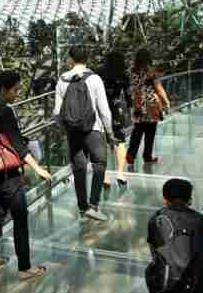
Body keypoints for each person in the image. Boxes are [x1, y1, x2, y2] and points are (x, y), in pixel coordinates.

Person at [0, 71, 53, 281]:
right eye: (15, 89)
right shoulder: (5, 112)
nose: (17, 93)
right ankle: (24, 268)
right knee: (20, 217)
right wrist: (37, 168)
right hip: (8, 173)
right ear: (4, 89)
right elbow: (18, 145)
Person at [54, 45, 112, 221]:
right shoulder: (94, 79)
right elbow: (104, 110)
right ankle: (93, 205)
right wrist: (109, 131)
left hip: (73, 132)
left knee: (79, 168)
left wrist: (65, 128)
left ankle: (82, 208)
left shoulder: (62, 80)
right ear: (87, 59)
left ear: (71, 59)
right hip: (93, 130)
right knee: (99, 164)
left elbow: (57, 112)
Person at [146, 178, 203, 293]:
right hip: (196, 284)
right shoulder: (201, 220)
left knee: (152, 269)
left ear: (165, 198)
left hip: (167, 280)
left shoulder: (156, 218)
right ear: (190, 199)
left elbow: (153, 248)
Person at [127, 48, 170, 169]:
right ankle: (147, 156)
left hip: (137, 103)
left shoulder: (132, 71)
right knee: (150, 132)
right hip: (151, 104)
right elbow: (159, 88)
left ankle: (131, 155)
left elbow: (132, 88)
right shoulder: (150, 72)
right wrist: (166, 102)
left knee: (137, 130)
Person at [97, 50, 132, 189]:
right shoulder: (122, 73)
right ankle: (120, 173)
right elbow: (128, 94)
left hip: (100, 109)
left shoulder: (98, 72)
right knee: (120, 141)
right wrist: (130, 107)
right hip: (117, 110)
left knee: (102, 142)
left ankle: (105, 176)